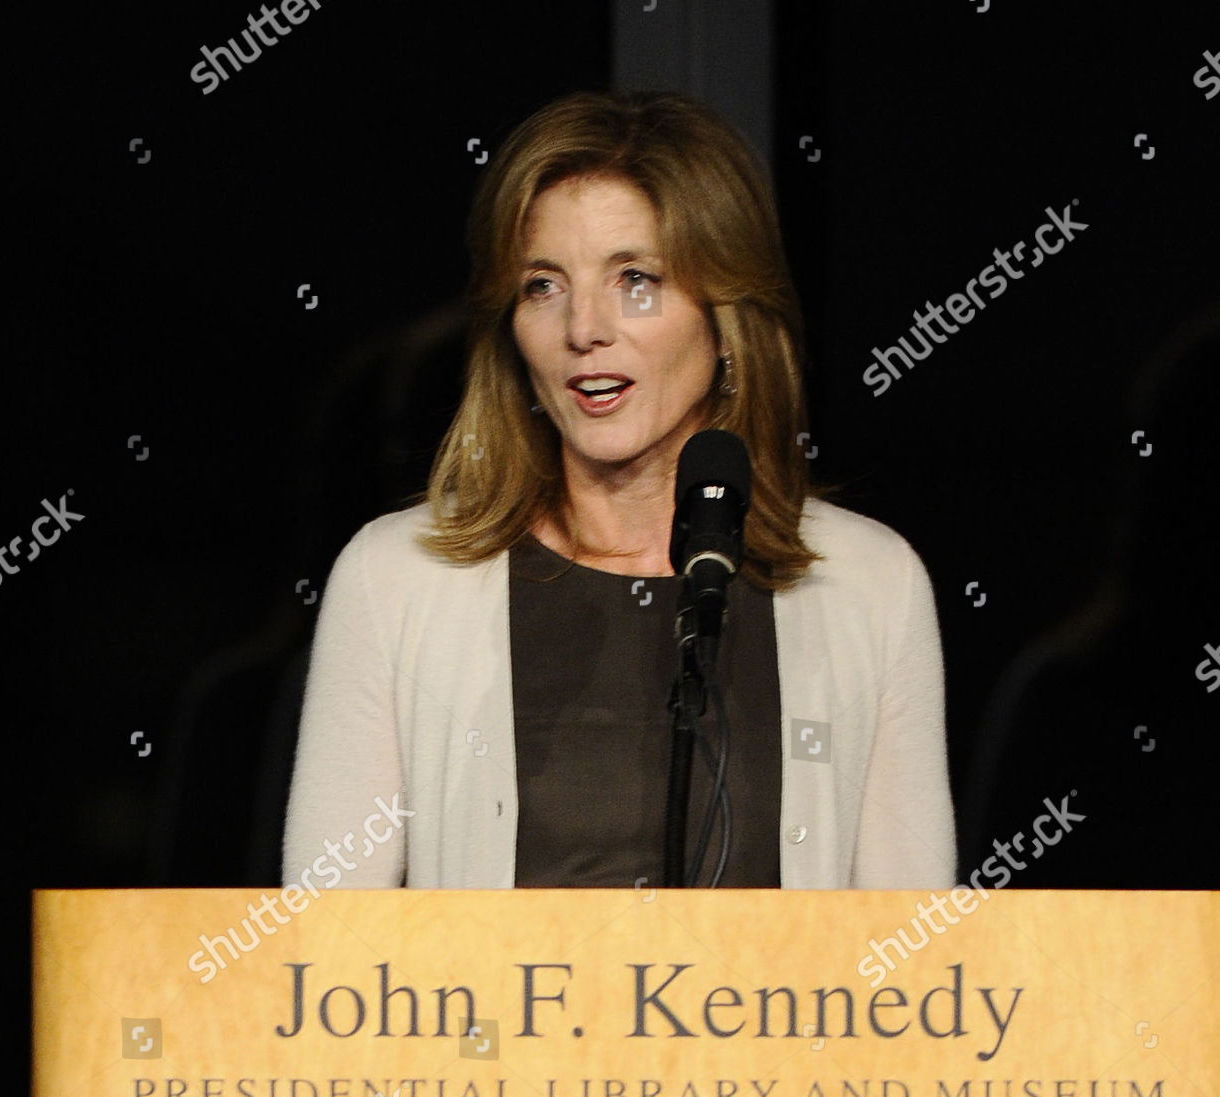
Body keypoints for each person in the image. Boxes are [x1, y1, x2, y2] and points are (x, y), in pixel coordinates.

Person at [281, 90, 955, 890]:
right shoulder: (395, 581)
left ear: (724, 315)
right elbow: (325, 945)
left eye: (636, 278)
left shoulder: (871, 586)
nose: (584, 329)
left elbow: (913, 952)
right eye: (543, 285)